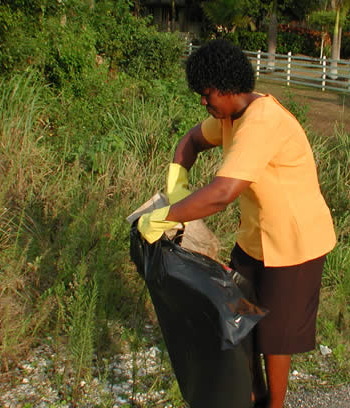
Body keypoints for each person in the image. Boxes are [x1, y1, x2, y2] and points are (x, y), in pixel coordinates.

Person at [136, 39, 336, 407]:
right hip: (254, 241)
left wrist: (165, 216)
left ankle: (273, 405)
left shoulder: (262, 123)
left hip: (295, 245)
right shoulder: (229, 116)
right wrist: (177, 181)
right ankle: (251, 393)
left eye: (206, 93)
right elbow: (191, 141)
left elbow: (221, 193)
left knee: (275, 338)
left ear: (227, 88)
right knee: (241, 321)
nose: (203, 102)